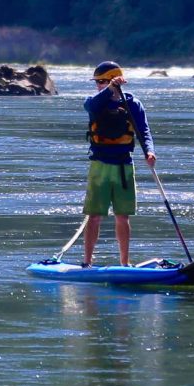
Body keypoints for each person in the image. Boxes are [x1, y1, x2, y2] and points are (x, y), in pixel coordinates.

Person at [80, 60, 154, 268]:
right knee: (94, 216)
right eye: (98, 82)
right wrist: (110, 88)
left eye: (103, 81)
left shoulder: (133, 104)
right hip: (99, 165)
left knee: (123, 217)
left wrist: (149, 151)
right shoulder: (95, 101)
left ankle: (124, 262)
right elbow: (91, 106)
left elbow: (144, 131)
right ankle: (87, 262)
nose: (99, 85)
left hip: (124, 166)